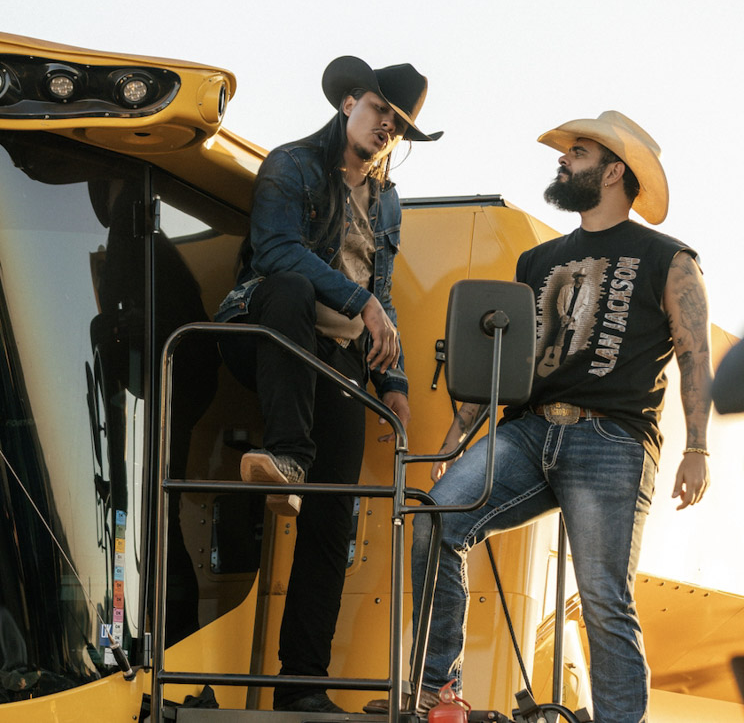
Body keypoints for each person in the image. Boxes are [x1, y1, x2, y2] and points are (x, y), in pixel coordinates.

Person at [405, 111, 711, 723]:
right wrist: (455, 441)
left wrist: (697, 449)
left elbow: (694, 354)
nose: (563, 159)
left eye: (578, 152)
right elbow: (503, 358)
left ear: (614, 172)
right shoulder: (537, 260)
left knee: (603, 597)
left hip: (611, 438)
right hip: (528, 430)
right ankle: (438, 691)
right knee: (437, 520)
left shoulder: (670, 258)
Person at [216, 55, 442, 713]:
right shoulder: (292, 164)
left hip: (335, 358)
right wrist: (360, 303)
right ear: (349, 103)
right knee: (289, 286)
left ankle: (302, 686)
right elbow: (276, 250)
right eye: (378, 111)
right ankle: (288, 455)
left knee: (333, 519)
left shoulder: (387, 201)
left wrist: (392, 378)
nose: (386, 127)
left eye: (398, 124)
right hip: (265, 333)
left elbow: (381, 290)